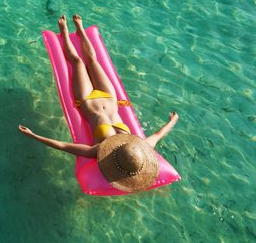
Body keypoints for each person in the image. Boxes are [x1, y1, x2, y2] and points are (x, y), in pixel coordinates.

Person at [19, 15, 179, 192]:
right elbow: (158, 134)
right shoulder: (139, 147)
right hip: (110, 97)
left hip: (87, 99)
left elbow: (64, 146)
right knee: (93, 60)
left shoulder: (100, 150)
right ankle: (80, 29)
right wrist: (172, 121)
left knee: (78, 62)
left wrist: (34, 135)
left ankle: (63, 32)